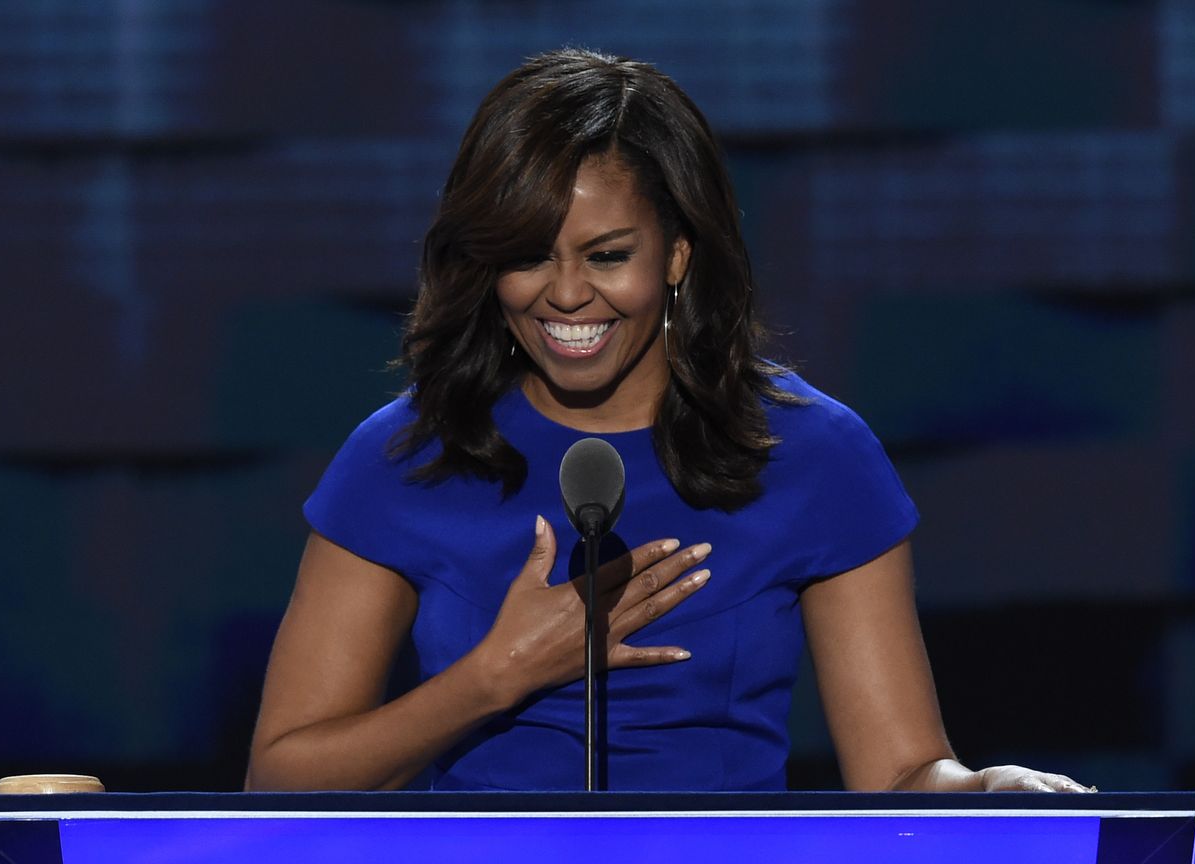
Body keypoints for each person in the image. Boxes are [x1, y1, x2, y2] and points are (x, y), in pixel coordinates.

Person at [246, 48, 1092, 793]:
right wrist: (494, 676)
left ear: (678, 252)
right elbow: (279, 782)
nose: (567, 293)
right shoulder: (406, 453)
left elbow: (903, 773)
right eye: (528, 254)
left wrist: (983, 787)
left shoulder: (812, 453)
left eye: (608, 255)